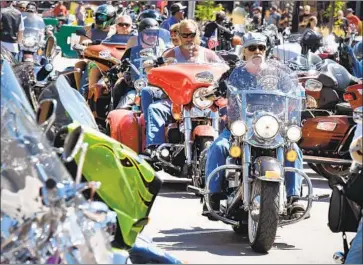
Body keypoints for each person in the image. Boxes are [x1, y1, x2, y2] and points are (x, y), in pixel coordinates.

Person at [204, 32, 305, 217]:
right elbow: (216, 90)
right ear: (244, 52)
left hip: (272, 127)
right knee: (218, 147)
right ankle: (213, 196)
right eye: (252, 48)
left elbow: (295, 90)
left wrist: (302, 95)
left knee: (294, 150)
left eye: (261, 48)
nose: (257, 51)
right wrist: (212, 92)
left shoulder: (279, 73)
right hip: (240, 126)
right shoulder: (234, 73)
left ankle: (294, 198)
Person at [142, 19, 223, 155]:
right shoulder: (171, 54)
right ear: (178, 35)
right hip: (176, 100)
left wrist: (228, 68)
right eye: (184, 35)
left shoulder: (208, 54)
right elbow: (154, 71)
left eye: (191, 34)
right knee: (155, 109)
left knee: (228, 110)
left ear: (197, 34)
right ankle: (156, 149)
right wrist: (152, 66)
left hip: (203, 99)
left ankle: (231, 148)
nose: (188, 38)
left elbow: (223, 69)